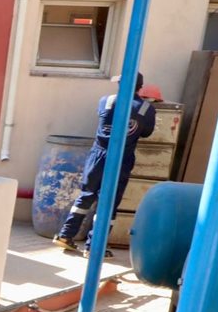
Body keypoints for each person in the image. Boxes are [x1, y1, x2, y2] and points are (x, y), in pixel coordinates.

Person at [53, 73, 159, 256]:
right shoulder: (146, 109)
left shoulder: (106, 101)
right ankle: (94, 247)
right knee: (108, 202)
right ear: (140, 87)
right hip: (121, 158)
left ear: (119, 84)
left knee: (86, 195)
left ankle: (65, 235)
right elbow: (146, 133)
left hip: (97, 155)